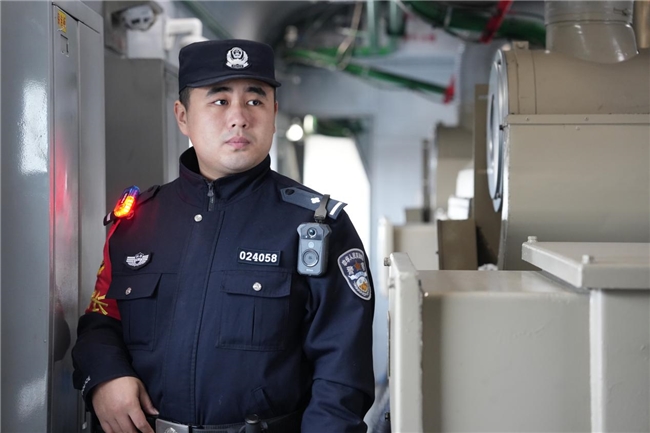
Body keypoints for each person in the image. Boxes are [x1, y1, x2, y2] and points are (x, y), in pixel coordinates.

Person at [72, 39, 375, 433]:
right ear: (183, 116)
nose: (239, 118)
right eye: (219, 100)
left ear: (274, 113)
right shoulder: (136, 223)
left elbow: (341, 379)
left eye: (255, 100)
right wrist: (105, 376)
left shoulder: (317, 227)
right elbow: (101, 320)